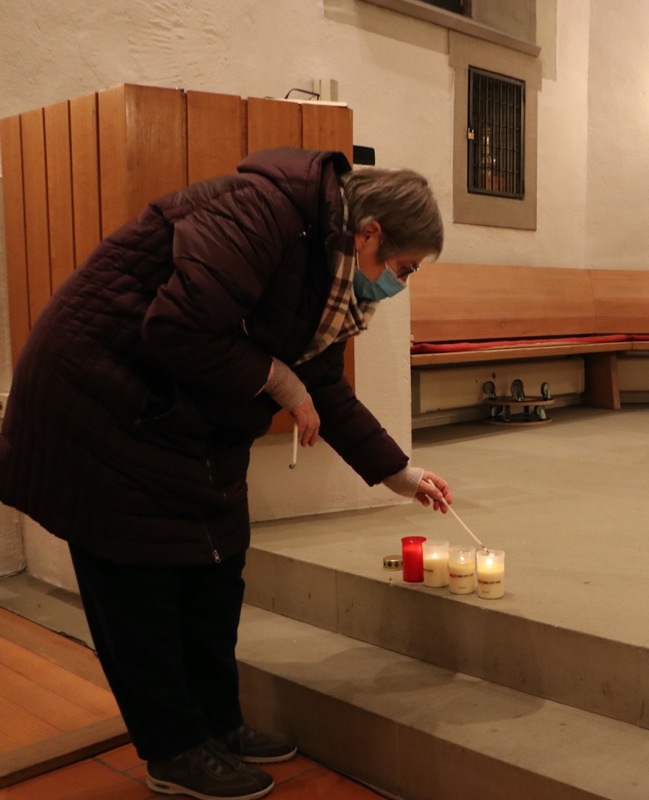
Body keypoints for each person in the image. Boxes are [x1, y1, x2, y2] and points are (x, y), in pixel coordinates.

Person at [0, 147, 452, 800]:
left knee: (216, 568)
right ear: (370, 232)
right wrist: (279, 379)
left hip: (179, 414)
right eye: (401, 268)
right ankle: (175, 751)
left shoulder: (330, 275)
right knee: (142, 584)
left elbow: (323, 381)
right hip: (99, 400)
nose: (398, 285)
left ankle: (218, 726)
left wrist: (401, 474)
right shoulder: (263, 211)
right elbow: (177, 327)